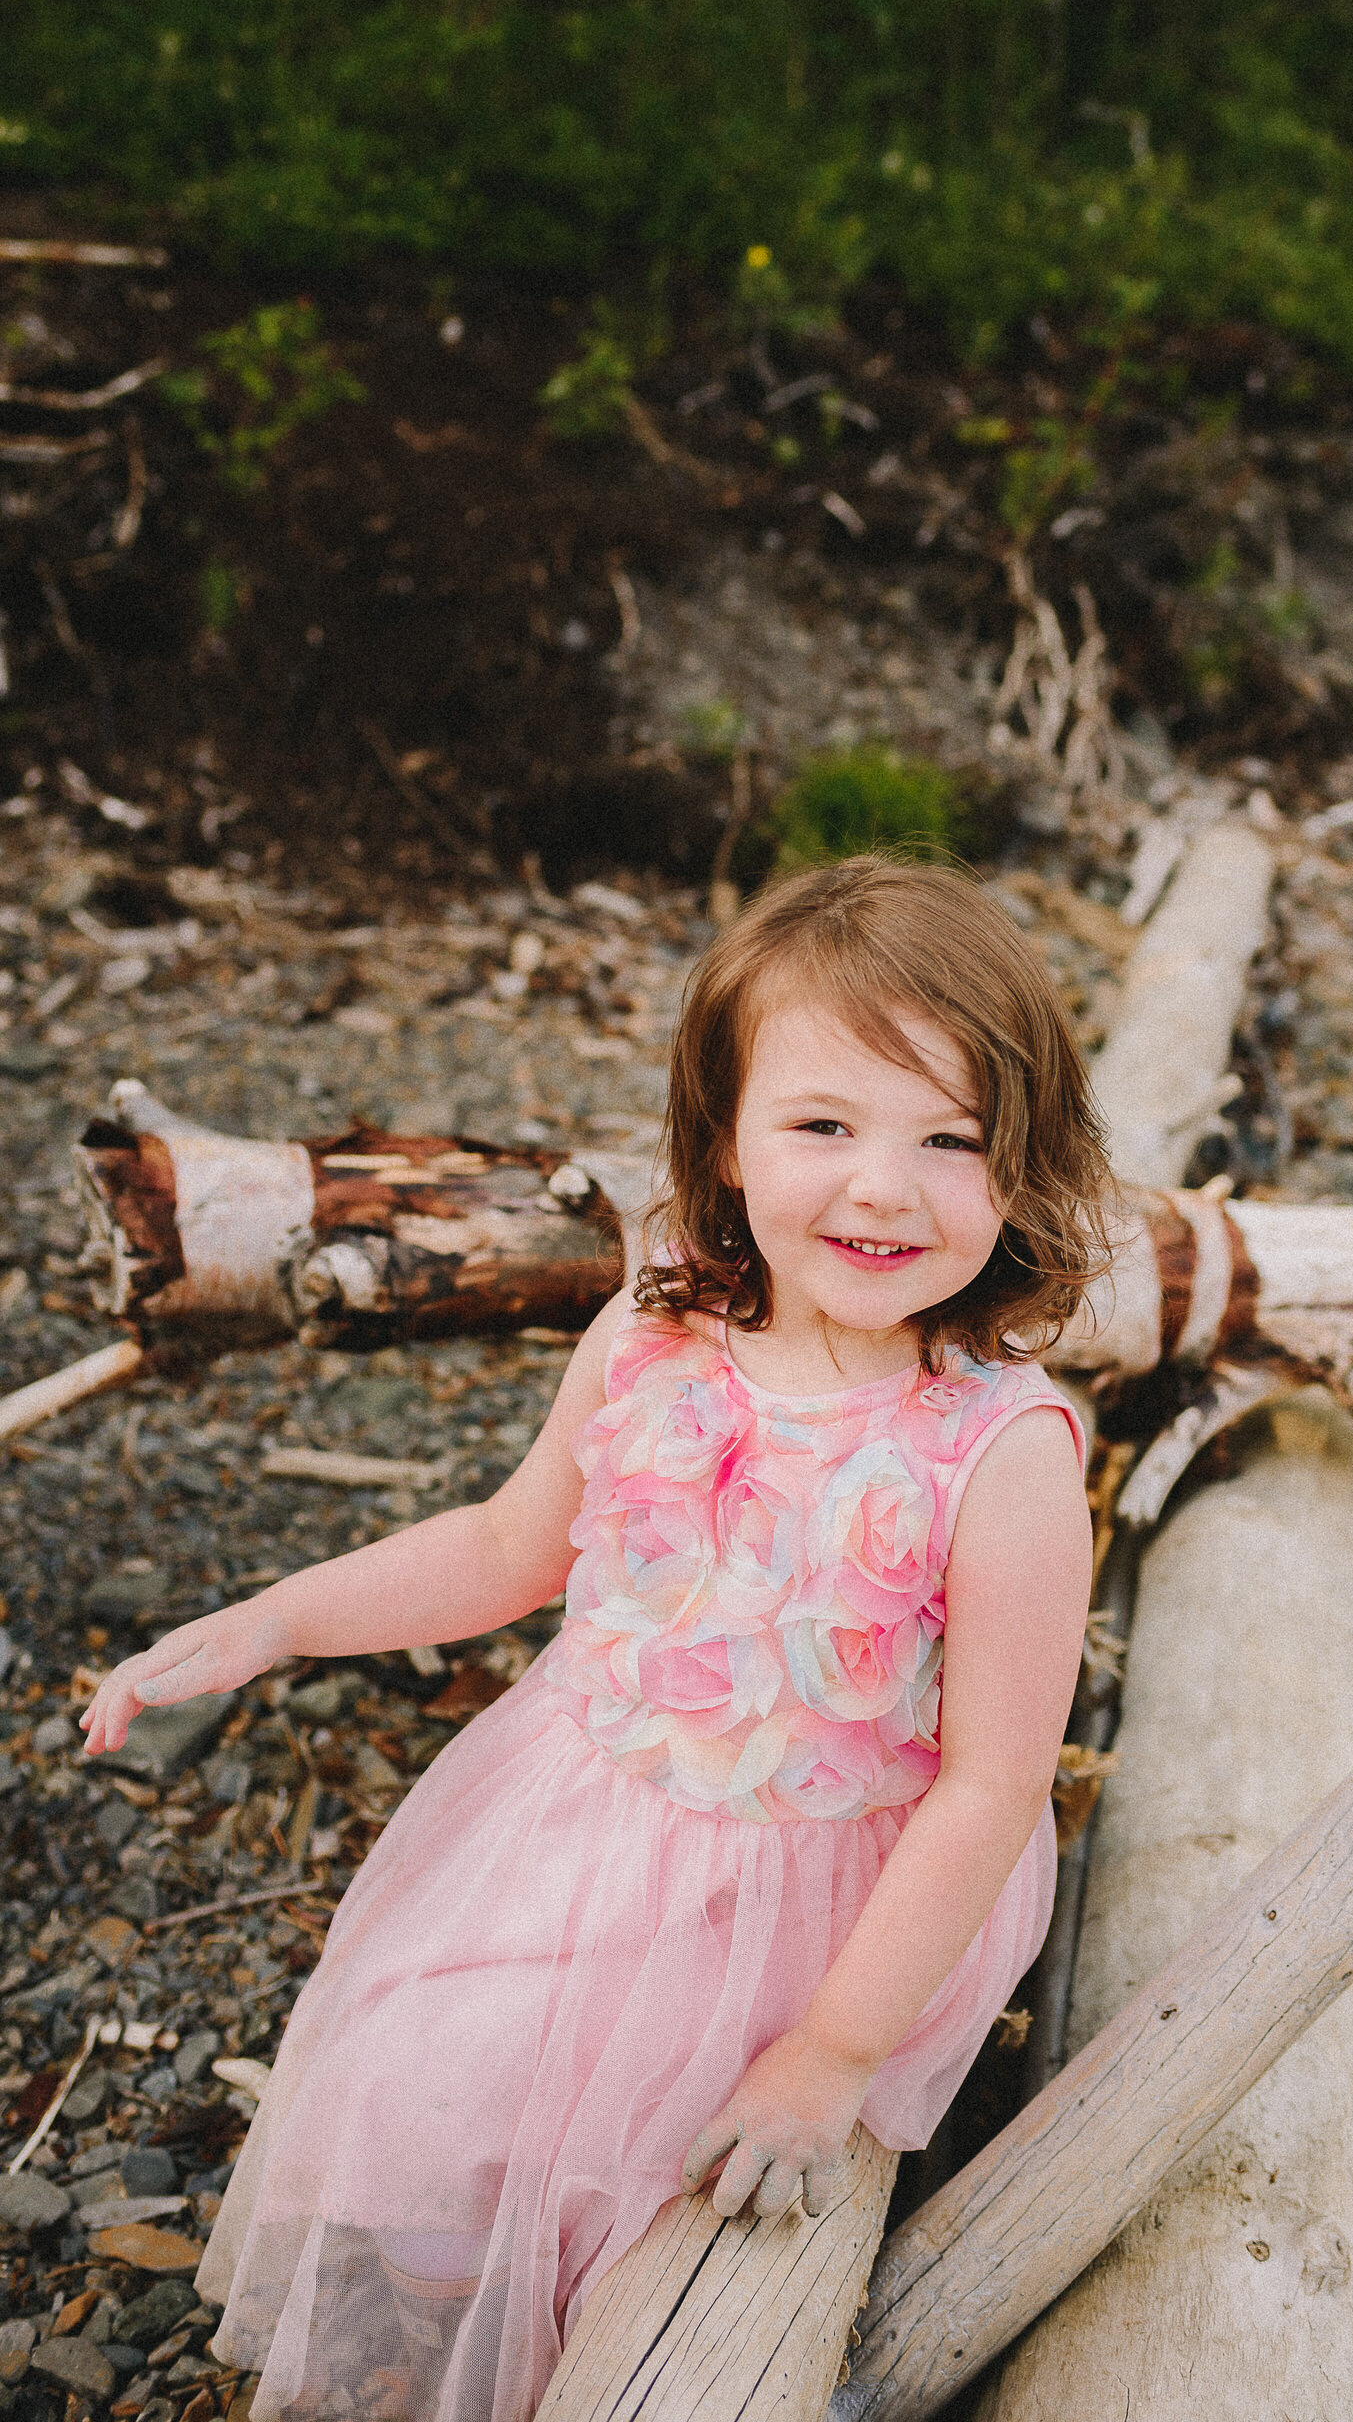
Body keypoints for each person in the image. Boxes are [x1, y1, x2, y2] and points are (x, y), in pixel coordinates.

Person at [79, 854, 1111, 2422]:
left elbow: (987, 1790)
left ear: (1022, 1172)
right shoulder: (653, 1330)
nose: (883, 1186)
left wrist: (832, 2057)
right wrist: (274, 1621)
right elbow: (505, 1546)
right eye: (824, 1124)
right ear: (722, 1138)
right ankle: (461, 2333)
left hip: (828, 1886)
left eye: (951, 1140)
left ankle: (604, 2351)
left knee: (638, 2166)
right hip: (587, 1812)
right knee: (406, 2083)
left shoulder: (1001, 1452)